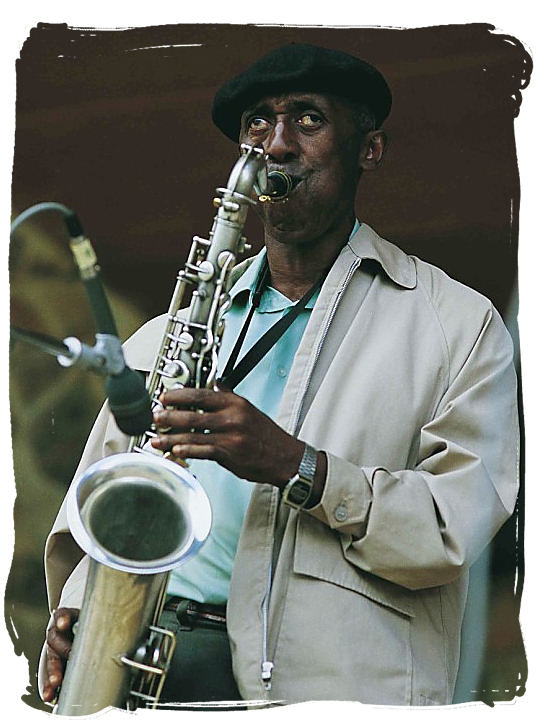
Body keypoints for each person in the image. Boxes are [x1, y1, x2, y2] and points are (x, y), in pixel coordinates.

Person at [40, 43, 519, 707]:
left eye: (308, 120)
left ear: (368, 149)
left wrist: (297, 466)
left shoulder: (457, 326)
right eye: (257, 124)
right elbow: (102, 504)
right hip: (141, 670)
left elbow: (449, 530)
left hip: (323, 693)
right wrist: (76, 611)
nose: (277, 143)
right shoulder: (165, 333)